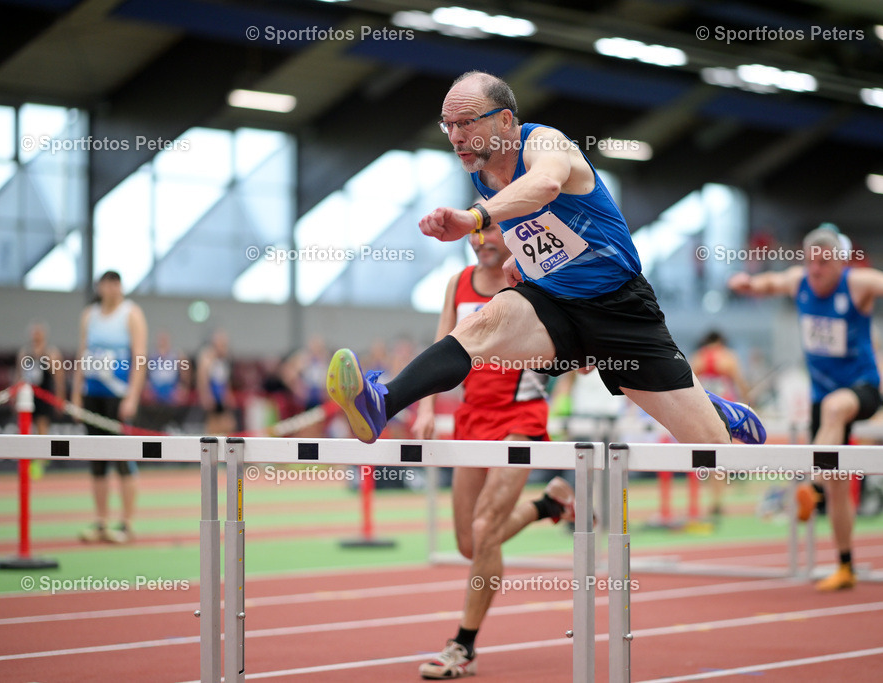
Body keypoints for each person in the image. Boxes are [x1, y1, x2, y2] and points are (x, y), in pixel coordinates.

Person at [326, 71, 764, 672]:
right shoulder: (481, 170)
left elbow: (544, 189)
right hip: (554, 307)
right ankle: (383, 402)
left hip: (619, 312)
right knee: (485, 323)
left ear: (505, 120)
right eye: (447, 125)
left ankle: (717, 412)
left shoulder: (546, 144)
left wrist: (475, 219)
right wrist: (520, 269)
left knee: (711, 452)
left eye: (465, 123)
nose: (455, 136)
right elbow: (537, 236)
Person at [729, 226, 883, 590]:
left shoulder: (858, 284)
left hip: (863, 388)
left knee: (838, 409)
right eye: (810, 262)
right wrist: (748, 284)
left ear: (839, 262)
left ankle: (812, 490)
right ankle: (845, 565)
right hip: (823, 397)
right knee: (839, 480)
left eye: (823, 263)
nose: (815, 270)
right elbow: (771, 283)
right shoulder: (799, 281)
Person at [410, 221, 576, 679]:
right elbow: (439, 351)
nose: (481, 242)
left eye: (490, 234)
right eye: (475, 236)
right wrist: (426, 410)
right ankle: (549, 504)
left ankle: (463, 646)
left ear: (513, 236)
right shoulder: (457, 284)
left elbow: (573, 352)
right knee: (469, 543)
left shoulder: (534, 278)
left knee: (486, 529)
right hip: (472, 418)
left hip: (521, 418)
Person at [71, 271, 148, 543]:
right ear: (100, 287)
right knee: (97, 459)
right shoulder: (89, 315)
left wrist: (132, 396)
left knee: (123, 458)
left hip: (119, 396)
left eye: (117, 282)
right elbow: (82, 354)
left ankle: (126, 524)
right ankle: (101, 522)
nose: (112, 287)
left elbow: (140, 356)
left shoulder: (131, 314)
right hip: (92, 394)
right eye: (107, 282)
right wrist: (76, 393)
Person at [690, 330, 751, 519]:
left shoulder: (698, 358)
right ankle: (718, 499)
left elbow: (688, 385)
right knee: (722, 455)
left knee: (709, 457)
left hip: (705, 410)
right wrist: (748, 402)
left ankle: (714, 499)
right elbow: (740, 383)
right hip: (726, 410)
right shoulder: (728, 357)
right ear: (721, 342)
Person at [16, 320, 66, 437]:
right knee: (26, 428)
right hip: (28, 395)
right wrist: (16, 398)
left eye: (39, 333)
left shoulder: (51, 354)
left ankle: (41, 455)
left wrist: (60, 398)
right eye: (34, 333)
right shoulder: (24, 353)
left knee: (42, 429)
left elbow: (59, 379)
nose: (36, 336)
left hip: (44, 396)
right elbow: (18, 377)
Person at [197, 329, 235, 435]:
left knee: (229, 425)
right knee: (214, 427)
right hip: (213, 396)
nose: (224, 348)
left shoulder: (224, 359)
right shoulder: (207, 358)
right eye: (222, 345)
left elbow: (225, 380)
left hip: (221, 396)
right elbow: (202, 379)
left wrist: (228, 394)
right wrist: (206, 395)